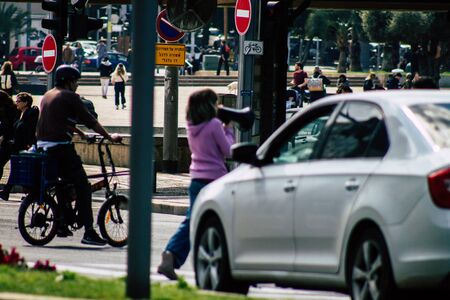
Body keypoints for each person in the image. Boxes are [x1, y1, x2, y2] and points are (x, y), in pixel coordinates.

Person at [36, 64, 122, 245]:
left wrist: (81, 134)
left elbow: (62, 121)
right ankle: (89, 232)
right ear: (69, 81)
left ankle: (62, 223)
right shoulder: (70, 97)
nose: (77, 85)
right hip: (60, 148)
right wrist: (109, 136)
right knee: (83, 185)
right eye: (76, 81)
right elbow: (90, 120)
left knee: (64, 184)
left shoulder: (48, 95)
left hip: (43, 148)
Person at [157, 88, 235, 280]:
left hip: (196, 179)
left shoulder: (191, 125)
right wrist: (229, 129)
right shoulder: (215, 125)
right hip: (213, 179)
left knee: (193, 219)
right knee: (202, 220)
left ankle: (172, 257)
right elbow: (229, 151)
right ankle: (171, 255)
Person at [0, 92, 39, 201]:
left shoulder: (30, 115)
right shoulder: (20, 114)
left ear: (25, 103)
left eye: (18, 101)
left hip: (22, 147)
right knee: (16, 170)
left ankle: (9, 191)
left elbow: (28, 132)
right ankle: (7, 191)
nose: (16, 103)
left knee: (20, 170)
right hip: (15, 146)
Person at [0, 91, 19, 193]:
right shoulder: (14, 108)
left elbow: (5, 126)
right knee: (15, 168)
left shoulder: (3, 110)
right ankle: (7, 190)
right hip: (16, 141)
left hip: (8, 142)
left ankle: (6, 191)